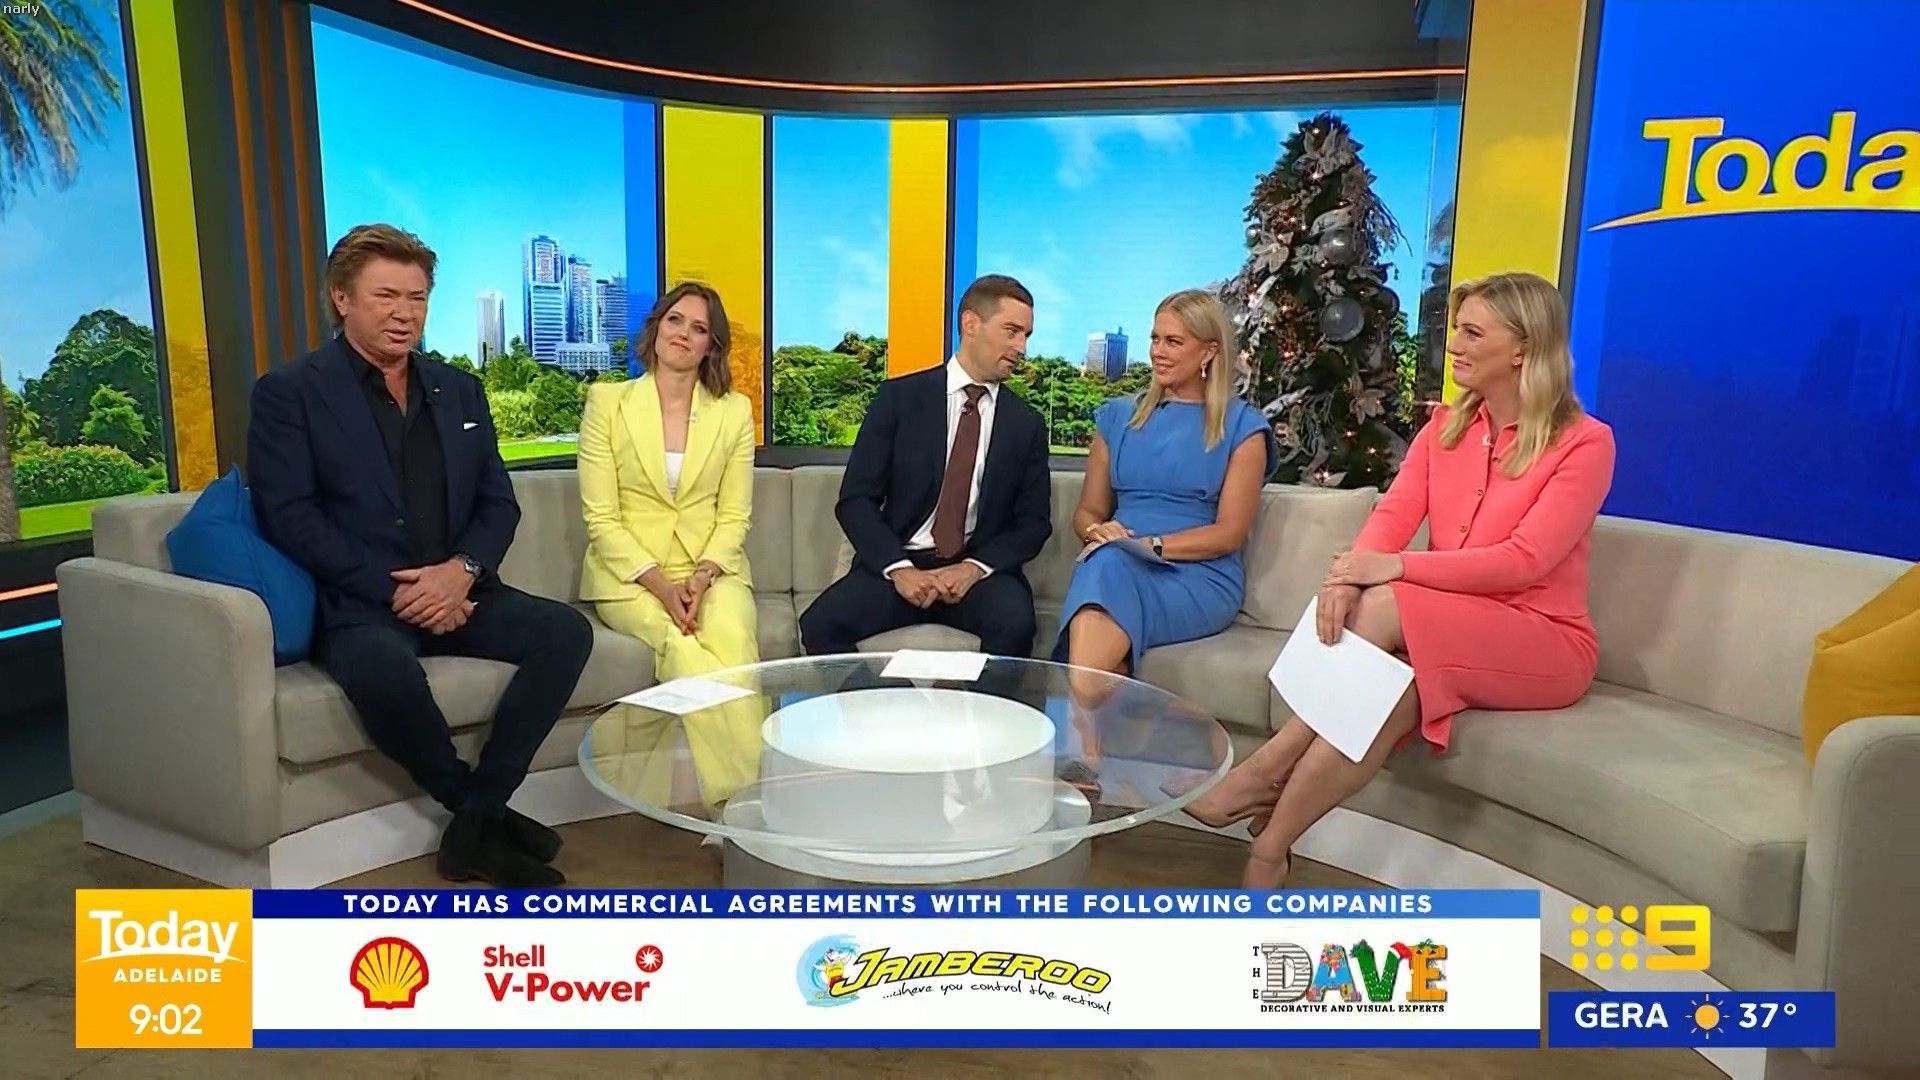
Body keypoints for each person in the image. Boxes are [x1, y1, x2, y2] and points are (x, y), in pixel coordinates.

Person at [1183, 271, 1616, 889]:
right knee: (1387, 695)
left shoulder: (1585, 443)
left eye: (1473, 333)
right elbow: (1391, 519)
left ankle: (1269, 764)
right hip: (1446, 626)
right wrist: (1344, 580)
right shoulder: (1445, 429)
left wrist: (1393, 568)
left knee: (1382, 603)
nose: (1454, 344)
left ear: (1523, 348)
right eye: (1457, 329)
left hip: (1544, 639)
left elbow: (1525, 560)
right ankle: (1271, 849)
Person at [248, 223, 593, 888]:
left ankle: (477, 817)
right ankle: (480, 815)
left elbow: (498, 503)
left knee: (565, 634)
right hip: (362, 605)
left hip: (461, 589)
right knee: (385, 674)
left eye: (417, 297)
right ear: (342, 298)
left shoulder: (459, 390)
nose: (404, 313)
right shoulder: (290, 393)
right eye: (386, 296)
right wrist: (399, 590)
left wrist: (460, 573)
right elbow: (289, 516)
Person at [798, 274, 1052, 658]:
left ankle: (976, 703)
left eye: (1026, 336)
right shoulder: (899, 399)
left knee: (1016, 625)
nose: (1021, 348)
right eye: (1012, 331)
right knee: (820, 625)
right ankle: (886, 698)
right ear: (970, 323)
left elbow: (1033, 523)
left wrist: (973, 568)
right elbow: (856, 501)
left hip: (976, 574)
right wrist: (899, 569)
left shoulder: (1026, 423)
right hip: (901, 563)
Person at [577, 282, 760, 805]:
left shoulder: (733, 411)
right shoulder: (608, 403)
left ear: (710, 347)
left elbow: (735, 515)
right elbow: (601, 518)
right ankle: (743, 800)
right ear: (656, 327)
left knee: (732, 639)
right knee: (682, 649)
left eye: (699, 328)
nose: (683, 334)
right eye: (675, 320)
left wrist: (702, 576)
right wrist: (660, 585)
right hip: (631, 574)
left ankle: (742, 801)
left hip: (712, 568)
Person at [1054, 289, 1277, 685]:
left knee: (1105, 572)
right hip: (1117, 560)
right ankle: (1100, 722)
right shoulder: (1117, 417)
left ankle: (1079, 715)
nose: (1158, 351)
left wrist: (1150, 546)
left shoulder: (1242, 427)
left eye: (1173, 341)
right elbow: (1087, 512)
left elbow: (1228, 534)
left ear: (1209, 351)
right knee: (1103, 564)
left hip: (1198, 574)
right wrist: (1096, 531)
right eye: (1154, 338)